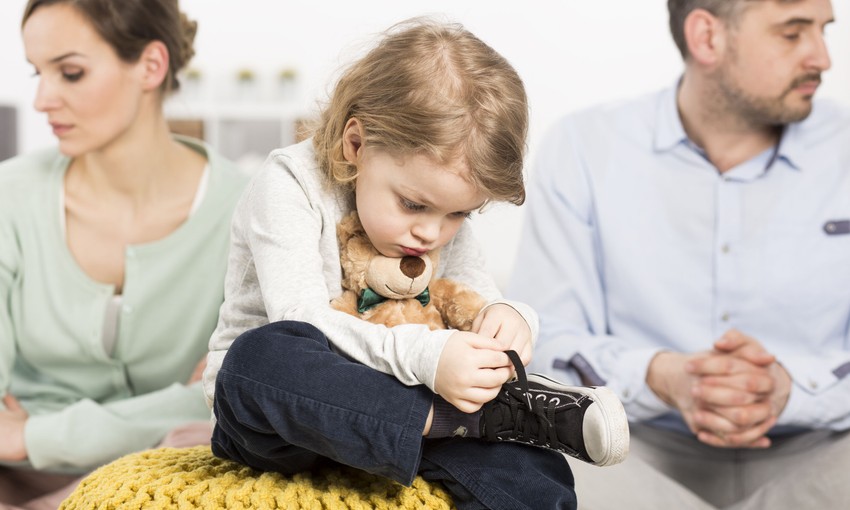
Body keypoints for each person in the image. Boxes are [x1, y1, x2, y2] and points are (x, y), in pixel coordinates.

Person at [203, 18, 629, 510]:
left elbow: (472, 292)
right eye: (412, 205)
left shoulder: (436, 210)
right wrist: (429, 359)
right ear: (356, 144)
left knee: (532, 472)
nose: (432, 232)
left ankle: (476, 419)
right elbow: (302, 322)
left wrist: (510, 319)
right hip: (285, 424)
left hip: (408, 414)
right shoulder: (288, 184)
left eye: (459, 214)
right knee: (261, 358)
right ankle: (459, 418)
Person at [509, 0, 850, 508]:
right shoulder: (584, 148)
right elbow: (543, 337)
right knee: (514, 459)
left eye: (823, 31)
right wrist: (659, 375)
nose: (822, 57)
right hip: (632, 458)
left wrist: (791, 388)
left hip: (822, 454)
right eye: (792, 33)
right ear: (707, 37)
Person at [0, 0, 247, 508]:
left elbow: (235, 399)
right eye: (37, 73)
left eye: (70, 73)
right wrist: (169, 405)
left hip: (165, 476)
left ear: (151, 66)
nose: (43, 99)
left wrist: (32, 435)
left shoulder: (247, 210)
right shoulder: (10, 197)